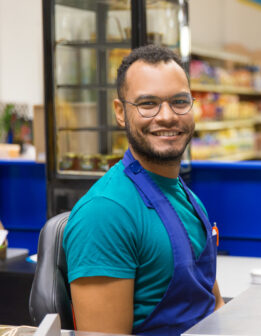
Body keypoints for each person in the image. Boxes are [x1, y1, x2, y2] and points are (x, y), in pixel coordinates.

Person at [63, 44, 225, 336]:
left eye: (179, 101)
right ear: (120, 112)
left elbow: (213, 304)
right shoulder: (105, 214)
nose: (167, 116)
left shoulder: (187, 197)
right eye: (148, 104)